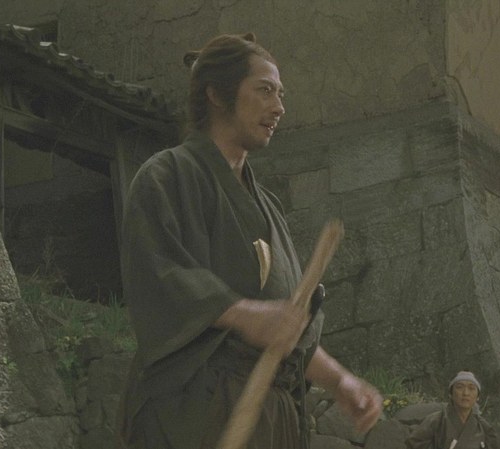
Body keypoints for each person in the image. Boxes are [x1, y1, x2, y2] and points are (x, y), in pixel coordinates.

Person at [116, 32, 382, 449]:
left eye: (280, 94)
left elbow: (287, 326)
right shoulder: (167, 176)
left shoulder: (268, 207)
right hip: (195, 410)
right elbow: (160, 275)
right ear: (217, 95)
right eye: (264, 91)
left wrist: (339, 381)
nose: (278, 107)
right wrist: (244, 315)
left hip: (270, 419)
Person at [405, 371, 500, 449]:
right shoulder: (435, 421)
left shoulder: (483, 427)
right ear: (451, 394)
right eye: (459, 387)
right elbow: (413, 443)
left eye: (471, 388)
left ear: (477, 397)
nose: (466, 393)